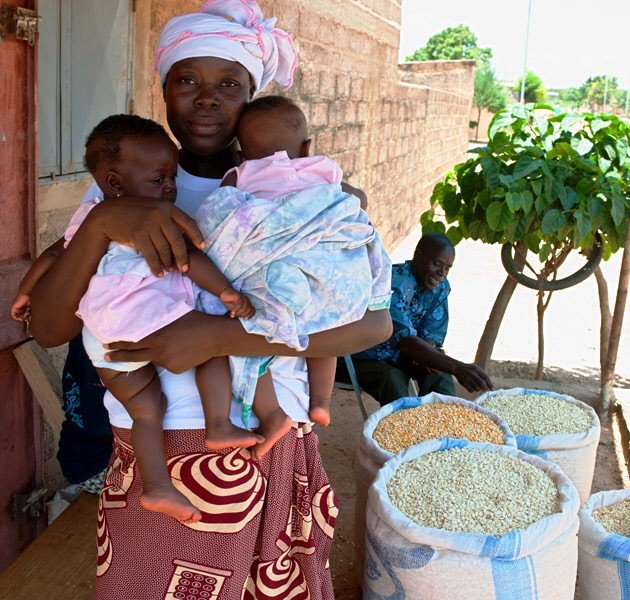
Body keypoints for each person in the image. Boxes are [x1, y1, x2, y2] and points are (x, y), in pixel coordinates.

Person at [28, 2, 390, 598]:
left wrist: (219, 336)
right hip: (152, 440)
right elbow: (48, 328)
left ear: (253, 95)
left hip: (265, 432)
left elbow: (373, 324)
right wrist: (100, 226)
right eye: (187, 80)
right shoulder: (120, 190)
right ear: (163, 89)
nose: (206, 99)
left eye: (229, 84)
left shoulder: (306, 198)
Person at [14, 113, 264, 523]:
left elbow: (55, 254)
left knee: (146, 410)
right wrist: (226, 292)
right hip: (146, 318)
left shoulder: (89, 215)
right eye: (159, 179)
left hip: (102, 339)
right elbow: (189, 260)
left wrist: (27, 291)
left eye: (172, 178)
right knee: (211, 346)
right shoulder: (156, 219)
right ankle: (219, 423)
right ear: (115, 182)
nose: (169, 188)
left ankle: (158, 486)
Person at [196, 95, 391, 456]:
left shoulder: (239, 175)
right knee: (327, 326)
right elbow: (353, 199)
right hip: (320, 268)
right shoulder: (322, 169)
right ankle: (321, 401)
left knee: (250, 339)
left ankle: (271, 413)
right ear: (306, 148)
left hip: (271, 275)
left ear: (240, 155)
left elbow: (219, 215)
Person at [342, 232, 493, 405]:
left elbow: (431, 336)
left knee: (440, 374)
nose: (442, 273)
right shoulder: (393, 282)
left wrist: (429, 355)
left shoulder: (440, 287)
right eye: (437, 263)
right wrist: (457, 367)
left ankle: (443, 423)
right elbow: (405, 341)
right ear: (418, 255)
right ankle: (405, 424)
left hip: (404, 356)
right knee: (392, 379)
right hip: (363, 358)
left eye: (447, 268)